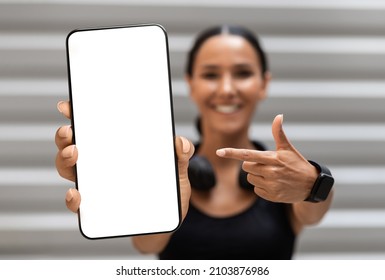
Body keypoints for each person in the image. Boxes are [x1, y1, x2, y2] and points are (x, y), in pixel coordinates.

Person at [55, 25, 334, 260]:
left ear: (263, 83)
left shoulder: (282, 174)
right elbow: (146, 245)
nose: (226, 89)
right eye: (211, 75)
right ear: (191, 84)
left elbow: (312, 215)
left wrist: (313, 182)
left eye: (242, 73)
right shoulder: (166, 170)